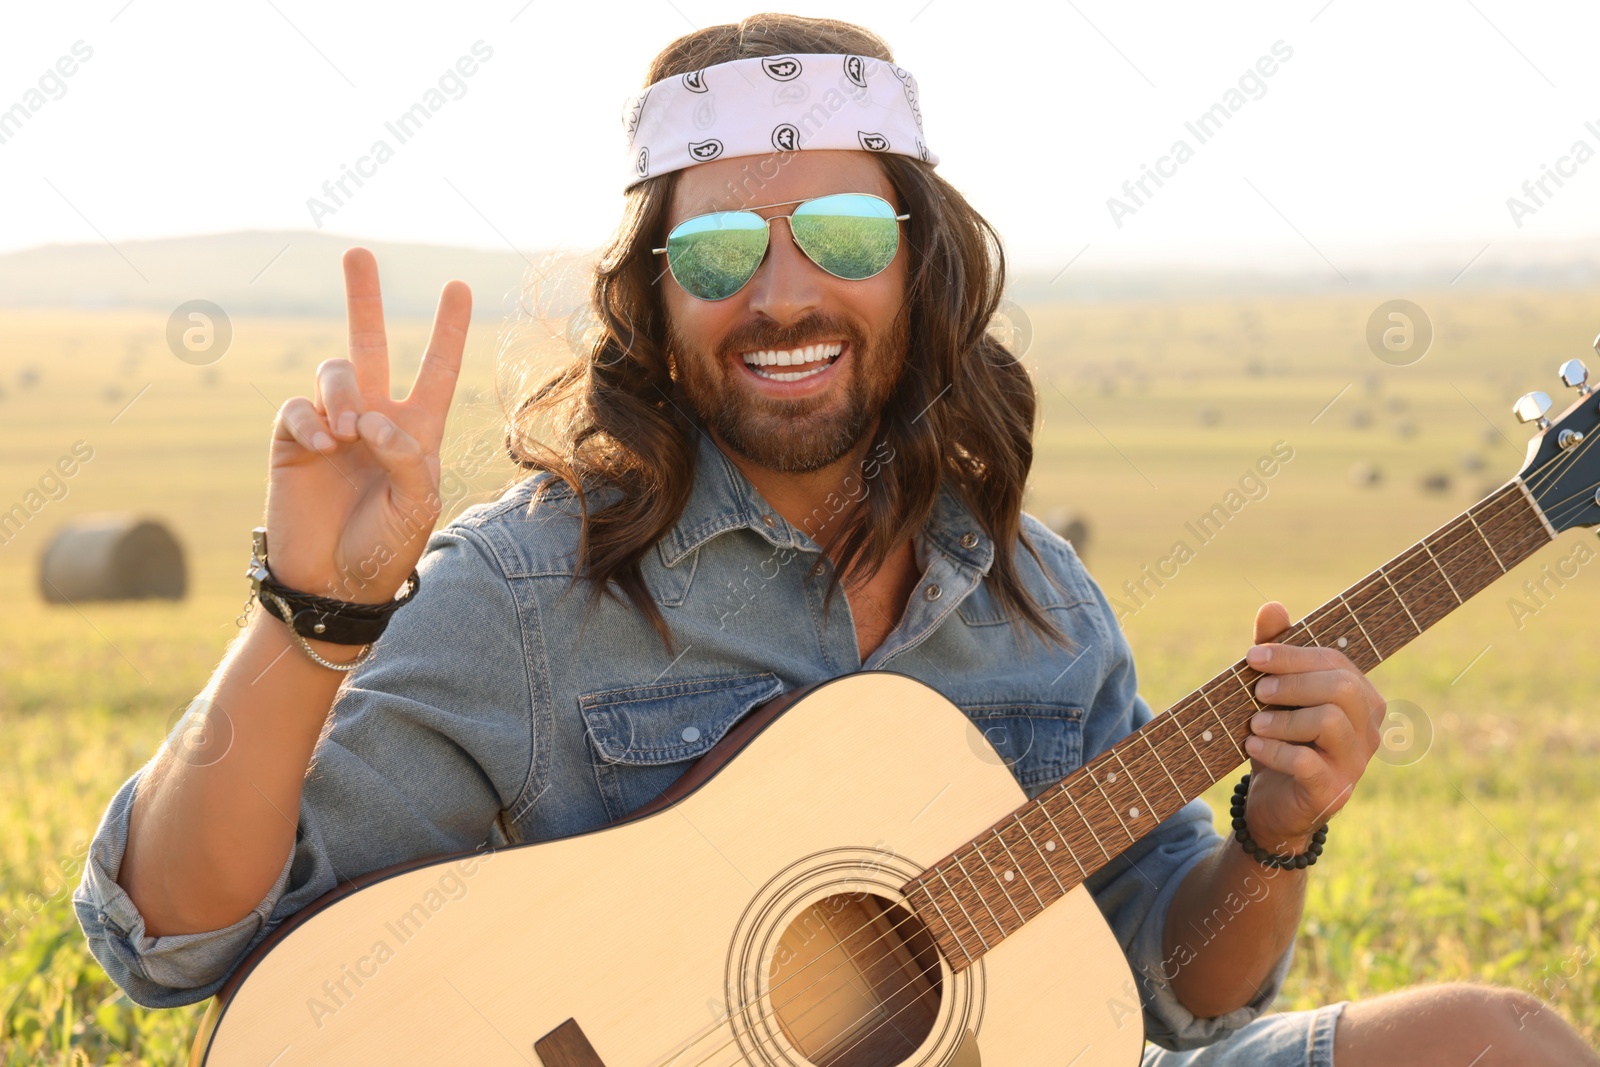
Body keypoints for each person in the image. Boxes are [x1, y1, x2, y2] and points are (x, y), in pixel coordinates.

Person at [74, 13, 1595, 1066]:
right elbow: (181, 947)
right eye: (724, 249)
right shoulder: (533, 589)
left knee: (1496, 1047)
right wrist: (306, 624)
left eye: (849, 239)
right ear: (655, 305)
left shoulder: (1034, 602)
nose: (786, 292)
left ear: (920, 269)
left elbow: (1165, 991)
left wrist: (1276, 835)